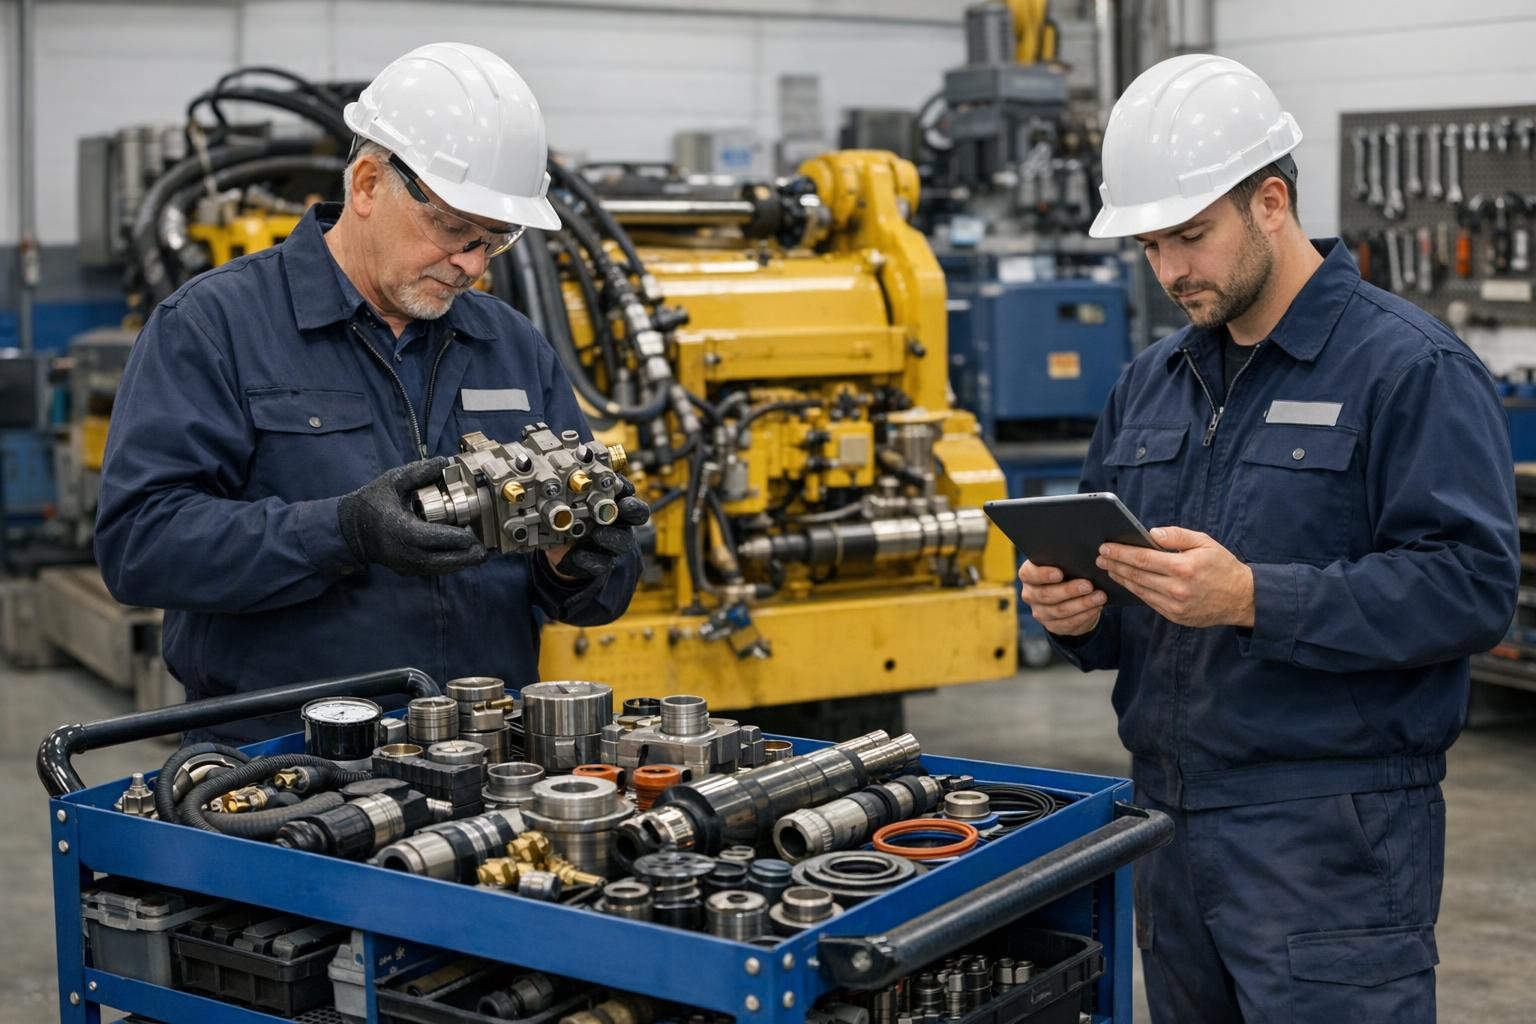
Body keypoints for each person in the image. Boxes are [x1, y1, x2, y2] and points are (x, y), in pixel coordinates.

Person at [1017, 54, 1518, 1022]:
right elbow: (1120, 606)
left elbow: (1469, 587)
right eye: (1150, 246)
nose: (1169, 272)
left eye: (1190, 238)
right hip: (1165, 825)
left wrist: (1254, 598)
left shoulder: (1408, 370)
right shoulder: (1152, 384)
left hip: (1331, 840)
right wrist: (1076, 614)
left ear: (1273, 202)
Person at [96, 42, 645, 741]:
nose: (471, 264)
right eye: (452, 228)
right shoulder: (213, 327)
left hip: (483, 756)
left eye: (493, 241)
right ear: (366, 183)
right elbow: (141, 545)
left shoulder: (511, 345)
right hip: (284, 761)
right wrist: (343, 532)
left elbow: (581, 593)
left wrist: (580, 562)